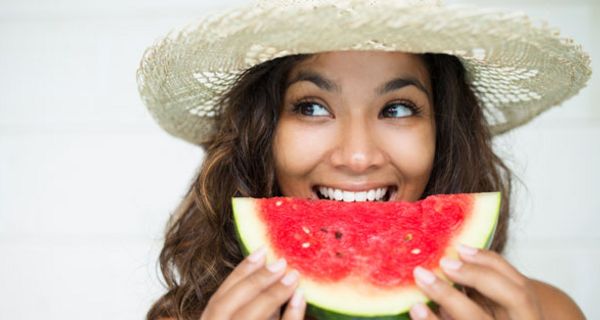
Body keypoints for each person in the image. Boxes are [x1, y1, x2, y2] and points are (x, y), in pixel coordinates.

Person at [136, 1, 591, 319]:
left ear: (444, 131)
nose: (358, 157)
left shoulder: (546, 313)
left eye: (397, 109)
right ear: (262, 133)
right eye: (311, 107)